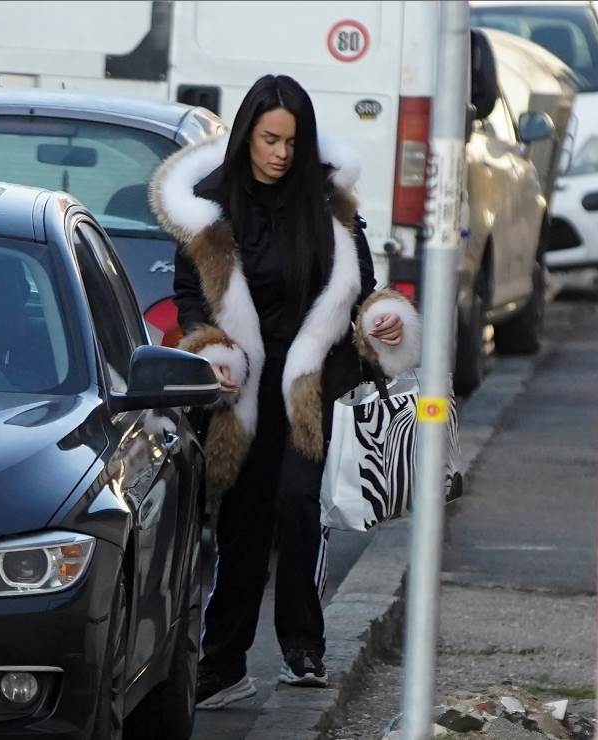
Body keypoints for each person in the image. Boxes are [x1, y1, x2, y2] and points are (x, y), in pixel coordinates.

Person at [148, 75, 422, 709]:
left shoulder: (329, 207)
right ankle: (224, 662)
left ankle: (303, 647)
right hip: (242, 390)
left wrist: (380, 321)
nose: (279, 153)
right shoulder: (209, 212)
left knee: (298, 506)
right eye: (268, 139)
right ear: (246, 136)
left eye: (291, 143)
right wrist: (211, 352)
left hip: (310, 386)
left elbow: (364, 290)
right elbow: (190, 303)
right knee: (242, 523)